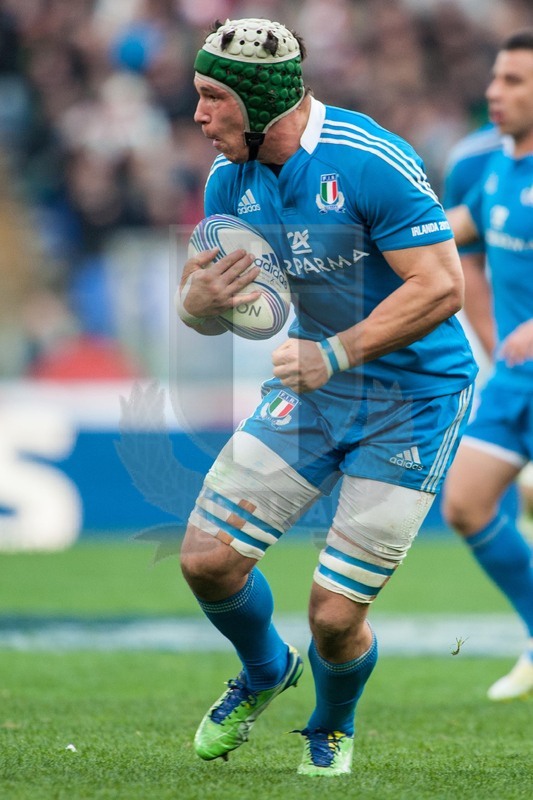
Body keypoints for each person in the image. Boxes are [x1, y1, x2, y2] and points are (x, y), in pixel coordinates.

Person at [176, 18, 477, 777]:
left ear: (257, 101)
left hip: (412, 397)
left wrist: (334, 351)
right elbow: (214, 317)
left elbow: (442, 285)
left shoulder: (365, 158)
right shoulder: (228, 181)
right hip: (314, 391)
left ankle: (332, 726)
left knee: (335, 616)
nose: (199, 116)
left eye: (213, 98)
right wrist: (196, 304)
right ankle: (265, 670)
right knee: (207, 560)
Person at [443, 29, 533, 701]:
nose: (492, 92)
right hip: (512, 380)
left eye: (512, 82)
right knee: (466, 504)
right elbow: (445, 236)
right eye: (495, 78)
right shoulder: (496, 166)